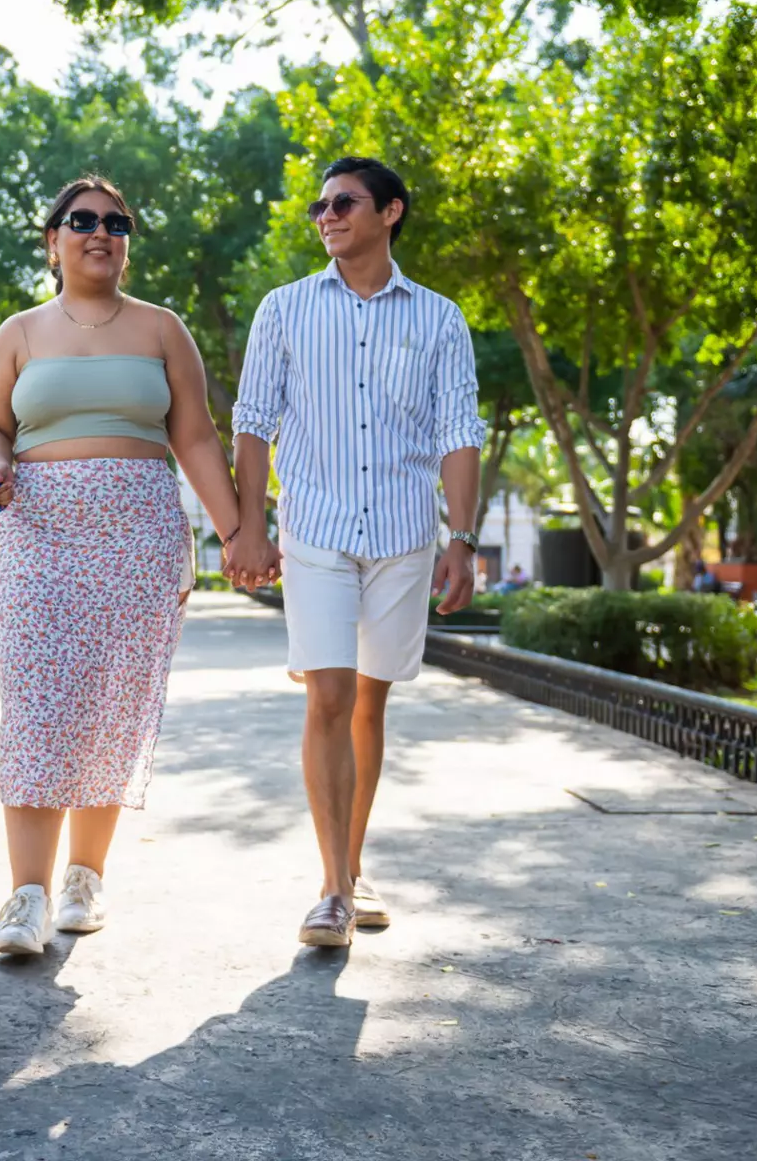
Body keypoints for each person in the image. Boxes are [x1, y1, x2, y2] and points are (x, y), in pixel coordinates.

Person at [0, 174, 246, 955]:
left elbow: (194, 439)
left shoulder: (163, 330)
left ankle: (83, 882)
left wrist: (236, 533)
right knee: (38, 707)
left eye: (116, 221)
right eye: (81, 220)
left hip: (139, 537)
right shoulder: (19, 332)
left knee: (111, 708)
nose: (100, 231)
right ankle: (25, 896)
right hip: (38, 531)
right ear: (52, 241)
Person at [226, 156, 487, 949]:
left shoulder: (440, 319)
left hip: (406, 535)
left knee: (371, 703)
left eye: (344, 203)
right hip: (317, 532)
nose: (327, 216)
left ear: (391, 213)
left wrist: (463, 538)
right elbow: (252, 422)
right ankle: (333, 890)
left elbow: (459, 433)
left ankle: (353, 862)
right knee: (329, 697)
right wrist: (248, 526)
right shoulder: (285, 309)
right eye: (320, 206)